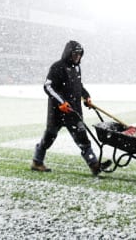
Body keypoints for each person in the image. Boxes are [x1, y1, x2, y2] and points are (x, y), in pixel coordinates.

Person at [31, 40, 111, 175]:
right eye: (75, 54)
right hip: (57, 111)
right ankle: (37, 162)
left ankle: (94, 164)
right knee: (49, 137)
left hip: (73, 111)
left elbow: (78, 86)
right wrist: (61, 102)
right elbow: (48, 86)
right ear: (68, 53)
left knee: (83, 138)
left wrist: (87, 97)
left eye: (80, 55)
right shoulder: (57, 67)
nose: (77, 57)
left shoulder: (77, 68)